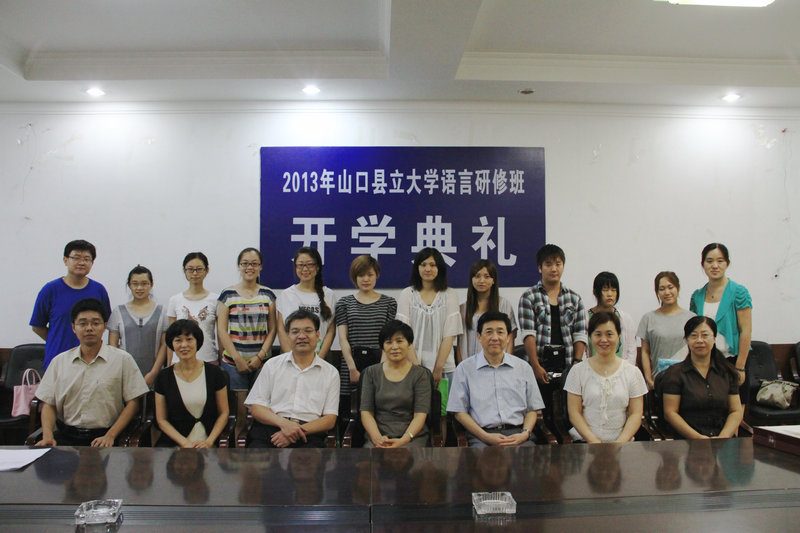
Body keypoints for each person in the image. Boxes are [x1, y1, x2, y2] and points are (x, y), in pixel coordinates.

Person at [34, 298, 149, 447]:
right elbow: (49, 403)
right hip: (66, 437)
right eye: (82, 324)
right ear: (73, 327)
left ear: (105, 326)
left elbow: (133, 403)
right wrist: (48, 436)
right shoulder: (59, 362)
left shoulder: (122, 360)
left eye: (95, 323)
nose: (89, 328)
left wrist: (110, 435)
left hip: (107, 438)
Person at [447, 310, 544, 448]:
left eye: (500, 332)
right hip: (481, 437)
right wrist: (484, 436)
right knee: (482, 459)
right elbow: (459, 412)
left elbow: (532, 409)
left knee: (529, 458)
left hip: (518, 435)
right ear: (479, 337)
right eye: (489, 332)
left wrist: (525, 433)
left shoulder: (523, 368)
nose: (495, 338)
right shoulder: (464, 369)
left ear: (508, 337)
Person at [245, 310, 339, 448]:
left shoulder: (331, 372)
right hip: (271, 430)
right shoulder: (272, 365)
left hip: (309, 434)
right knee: (257, 458)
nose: (301, 336)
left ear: (317, 335)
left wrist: (294, 432)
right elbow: (257, 408)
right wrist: (285, 425)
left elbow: (330, 419)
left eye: (308, 331)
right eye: (295, 332)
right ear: (288, 336)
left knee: (312, 459)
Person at [564, 312, 647, 443]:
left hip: (622, 444)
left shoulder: (632, 372)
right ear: (590, 337)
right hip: (585, 443)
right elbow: (574, 413)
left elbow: (636, 414)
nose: (603, 340)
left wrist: (620, 443)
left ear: (618, 336)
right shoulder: (577, 371)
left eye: (609, 334)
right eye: (598, 334)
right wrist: (594, 442)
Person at [31, 240, 111, 371]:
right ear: (65, 260)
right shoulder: (50, 290)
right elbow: (37, 326)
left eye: (86, 259)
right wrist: (56, 340)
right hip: (58, 359)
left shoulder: (99, 290)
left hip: (92, 361)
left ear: (92, 263)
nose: (81, 262)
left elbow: (105, 323)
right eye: (76, 258)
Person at [661, 316, 744, 439]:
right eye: (694, 336)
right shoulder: (675, 373)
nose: (699, 340)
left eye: (705, 335)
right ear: (686, 340)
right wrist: (698, 438)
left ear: (714, 339)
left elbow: (735, 411)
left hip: (723, 440)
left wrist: (723, 437)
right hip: (688, 442)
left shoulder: (727, 372)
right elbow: (670, 413)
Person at [518, 244, 588, 384]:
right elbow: (528, 334)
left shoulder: (574, 298)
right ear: (540, 268)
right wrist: (535, 366)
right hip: (539, 367)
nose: (554, 269)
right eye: (548, 264)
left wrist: (576, 364)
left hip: (568, 367)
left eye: (558, 264)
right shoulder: (529, 297)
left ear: (563, 266)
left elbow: (580, 334)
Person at [154, 319, 229, 447]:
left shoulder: (215, 373)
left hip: (207, 446)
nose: (184, 345)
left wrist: (209, 442)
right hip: (174, 446)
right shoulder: (163, 377)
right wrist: (184, 443)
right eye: (178, 340)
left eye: (189, 339)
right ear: (172, 344)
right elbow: (161, 420)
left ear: (197, 342)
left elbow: (224, 413)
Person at [396, 247, 463, 386]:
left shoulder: (450, 294)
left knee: (443, 400)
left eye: (433, 265)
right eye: (423, 264)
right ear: (417, 268)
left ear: (440, 268)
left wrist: (438, 368)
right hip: (410, 367)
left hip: (444, 367)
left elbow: (449, 336)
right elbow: (404, 334)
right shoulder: (407, 294)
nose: (428, 269)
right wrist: (418, 369)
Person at [360, 320, 432, 448]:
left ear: (409, 344)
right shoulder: (371, 373)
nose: (394, 347)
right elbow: (366, 412)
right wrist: (377, 439)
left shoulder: (421, 374)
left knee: (407, 455)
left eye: (399, 341)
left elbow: (420, 415)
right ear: (383, 347)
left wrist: (404, 440)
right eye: (388, 342)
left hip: (412, 437)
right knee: (371, 458)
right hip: (379, 436)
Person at [689, 243, 752, 385]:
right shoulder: (697, 296)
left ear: (727, 263)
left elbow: (746, 331)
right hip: (704, 363)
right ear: (703, 264)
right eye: (709, 261)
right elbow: (693, 331)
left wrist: (740, 367)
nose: (715, 266)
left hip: (732, 361)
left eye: (720, 261)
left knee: (735, 400)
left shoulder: (738, 292)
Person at [217, 248, 277, 390]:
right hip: (233, 362)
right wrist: (237, 359)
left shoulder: (268, 294)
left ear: (260, 267)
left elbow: (273, 329)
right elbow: (221, 330)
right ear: (239, 266)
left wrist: (260, 357)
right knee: (239, 403)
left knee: (260, 402)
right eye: (245, 263)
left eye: (254, 264)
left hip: (262, 362)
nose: (249, 267)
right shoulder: (227, 294)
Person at [335, 255, 397, 391]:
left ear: (377, 275)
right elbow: (343, 339)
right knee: (351, 402)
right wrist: (352, 368)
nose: (366, 279)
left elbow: (389, 339)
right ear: (355, 277)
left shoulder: (389, 303)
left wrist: (381, 368)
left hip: (381, 364)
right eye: (361, 275)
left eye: (370, 274)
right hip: (351, 366)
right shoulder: (344, 303)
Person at [107, 265, 168, 387]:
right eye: (135, 284)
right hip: (125, 375)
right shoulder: (119, 311)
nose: (139, 288)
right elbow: (113, 346)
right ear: (129, 285)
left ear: (151, 284)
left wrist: (154, 372)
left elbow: (164, 344)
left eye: (144, 283)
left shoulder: (162, 311)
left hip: (154, 375)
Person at [636, 271, 695, 389]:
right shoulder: (648, 318)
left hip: (686, 382)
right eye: (662, 289)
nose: (667, 292)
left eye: (670, 287)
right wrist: (649, 379)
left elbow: (695, 349)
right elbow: (645, 351)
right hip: (658, 382)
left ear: (678, 288)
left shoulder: (691, 318)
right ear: (657, 292)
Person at [276, 247, 337, 359]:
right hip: (289, 357)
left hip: (321, 357)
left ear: (317, 267)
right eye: (300, 265)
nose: (305, 269)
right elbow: (281, 329)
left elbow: (331, 330)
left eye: (310, 264)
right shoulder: (286, 295)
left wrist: (319, 359)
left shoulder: (329, 295)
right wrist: (292, 358)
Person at [457, 259, 518, 360]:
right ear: (472, 280)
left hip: (498, 364)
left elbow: (510, 338)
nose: (481, 281)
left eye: (487, 276)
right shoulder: (463, 309)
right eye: (477, 276)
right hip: (469, 365)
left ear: (493, 280)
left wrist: (506, 363)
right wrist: (462, 366)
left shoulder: (504, 305)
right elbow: (460, 343)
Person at [167, 252, 219, 365]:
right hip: (179, 362)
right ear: (184, 271)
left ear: (206, 270)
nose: (195, 273)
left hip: (208, 360)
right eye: (190, 269)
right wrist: (168, 364)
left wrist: (221, 361)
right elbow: (170, 337)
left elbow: (220, 335)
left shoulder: (216, 300)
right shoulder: (175, 300)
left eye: (199, 269)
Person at [586, 272, 637, 365]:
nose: (610, 294)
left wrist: (626, 370)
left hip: (621, 370)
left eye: (613, 290)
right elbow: (582, 350)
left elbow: (631, 350)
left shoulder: (625, 319)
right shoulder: (585, 318)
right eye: (605, 290)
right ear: (595, 292)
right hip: (592, 369)